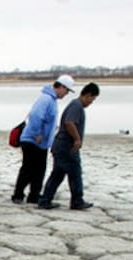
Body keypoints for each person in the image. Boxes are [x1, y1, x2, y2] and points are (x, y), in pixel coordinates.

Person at [37, 82, 101, 210]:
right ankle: (77, 201)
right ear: (87, 95)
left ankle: (45, 200)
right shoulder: (76, 106)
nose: (91, 102)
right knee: (75, 173)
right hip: (66, 147)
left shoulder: (75, 105)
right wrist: (77, 139)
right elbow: (69, 122)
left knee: (57, 175)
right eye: (92, 99)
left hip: (60, 146)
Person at [12, 75, 75, 204]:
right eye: (67, 90)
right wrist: (38, 133)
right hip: (33, 140)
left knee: (39, 170)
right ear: (61, 87)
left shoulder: (51, 100)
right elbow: (36, 116)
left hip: (41, 143)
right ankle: (18, 195)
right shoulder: (46, 99)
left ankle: (34, 195)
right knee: (29, 168)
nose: (66, 94)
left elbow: (47, 119)